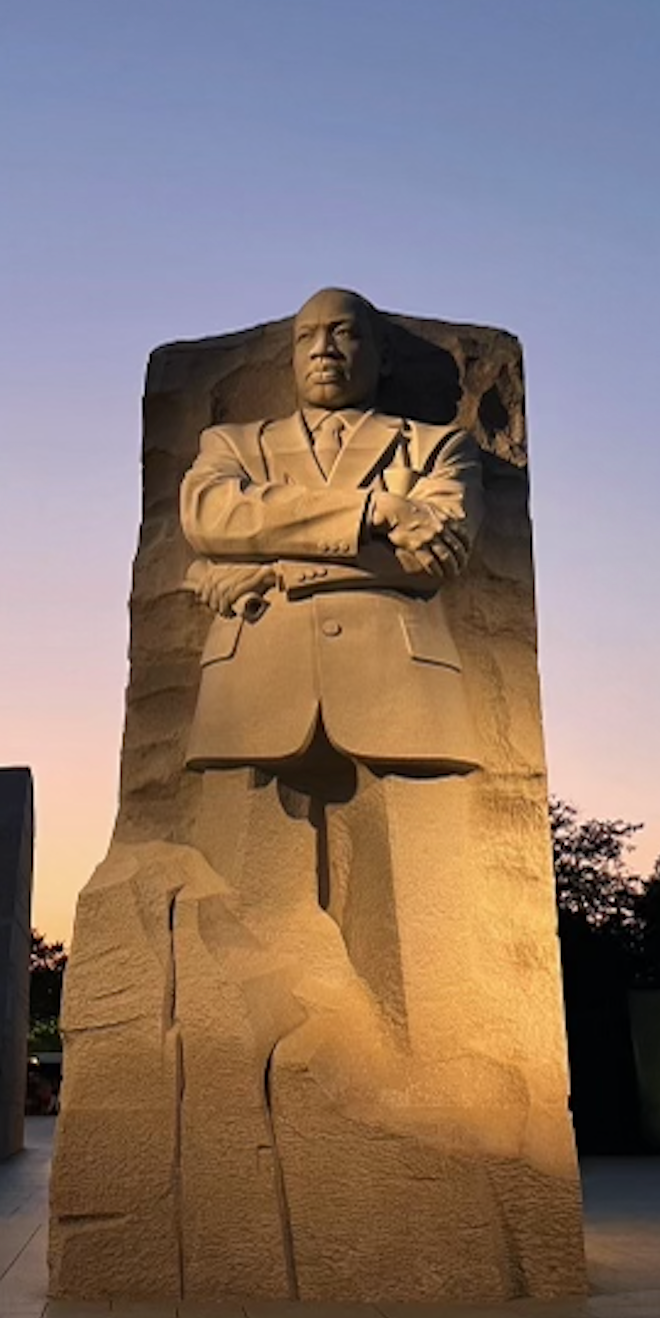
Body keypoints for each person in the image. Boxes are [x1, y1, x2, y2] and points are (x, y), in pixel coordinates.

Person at [179, 287, 483, 1039]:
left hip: (398, 686)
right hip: (253, 682)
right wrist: (374, 512)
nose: (324, 349)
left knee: (417, 929)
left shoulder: (437, 444)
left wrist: (270, 560)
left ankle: (424, 1094)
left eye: (345, 334)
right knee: (234, 926)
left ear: (377, 357)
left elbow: (439, 554)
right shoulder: (232, 445)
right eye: (308, 336)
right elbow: (210, 519)